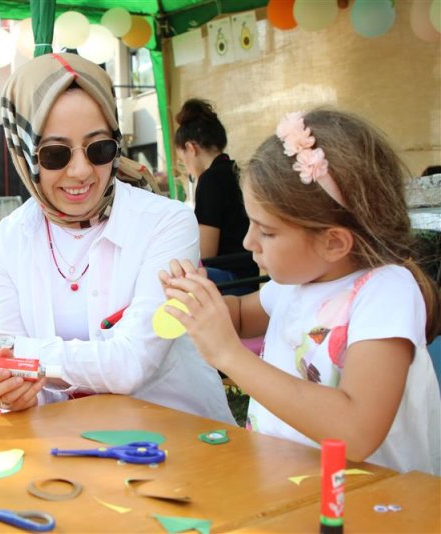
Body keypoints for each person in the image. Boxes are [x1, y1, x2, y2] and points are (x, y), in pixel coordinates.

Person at [0, 53, 233, 424]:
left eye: (100, 149)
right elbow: (21, 381)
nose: (81, 171)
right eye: (55, 154)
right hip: (66, 445)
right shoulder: (8, 241)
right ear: (24, 152)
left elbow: (131, 365)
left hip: (179, 436)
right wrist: (15, 390)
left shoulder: (168, 223)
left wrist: (4, 346)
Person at [160, 109, 441, 475]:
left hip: (379, 507)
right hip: (296, 489)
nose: (249, 243)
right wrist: (198, 301)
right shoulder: (298, 281)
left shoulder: (386, 293)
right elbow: (243, 316)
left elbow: (357, 431)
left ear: (334, 242)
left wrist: (229, 355)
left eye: (267, 232)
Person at [174, 98, 258, 294]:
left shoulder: (210, 180)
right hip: (251, 274)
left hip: (230, 279)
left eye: (182, 160)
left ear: (191, 148)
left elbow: (206, 252)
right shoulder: (238, 171)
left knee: (170, 276)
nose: (186, 168)